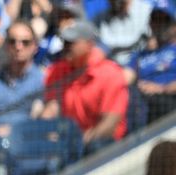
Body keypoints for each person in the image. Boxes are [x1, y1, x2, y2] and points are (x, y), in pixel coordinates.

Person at [42, 20, 128, 153]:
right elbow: (51, 109)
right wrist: (45, 132)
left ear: (89, 44)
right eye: (65, 42)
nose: (66, 47)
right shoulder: (57, 71)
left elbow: (110, 124)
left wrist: (81, 140)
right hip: (69, 142)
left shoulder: (109, 73)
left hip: (105, 145)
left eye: (72, 43)